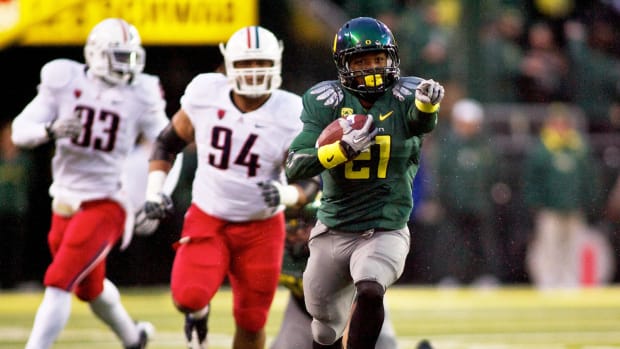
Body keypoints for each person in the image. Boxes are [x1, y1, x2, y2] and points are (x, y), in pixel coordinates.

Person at [140, 25, 318, 349]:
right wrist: (154, 190)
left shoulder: (291, 111)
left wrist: (287, 194)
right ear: (228, 64)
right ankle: (199, 315)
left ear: (276, 63)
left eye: (262, 63)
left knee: (252, 321)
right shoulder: (205, 93)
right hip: (210, 217)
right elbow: (167, 143)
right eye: (247, 63)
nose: (254, 71)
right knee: (188, 296)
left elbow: (312, 178)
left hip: (262, 227)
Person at [285, 16, 444, 349]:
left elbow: (420, 121)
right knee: (324, 329)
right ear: (344, 65)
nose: (372, 67)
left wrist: (428, 106)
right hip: (334, 228)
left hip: (384, 228)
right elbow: (295, 166)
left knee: (371, 287)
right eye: (361, 61)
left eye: (378, 59)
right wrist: (340, 150)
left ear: (392, 59)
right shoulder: (325, 101)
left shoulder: (407, 96)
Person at [10, 18, 169, 348]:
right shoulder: (63, 79)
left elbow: (169, 145)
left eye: (131, 56)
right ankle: (132, 336)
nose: (129, 65)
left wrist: (156, 193)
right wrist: (49, 130)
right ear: (96, 55)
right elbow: (20, 130)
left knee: (58, 281)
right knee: (89, 288)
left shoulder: (141, 92)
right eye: (120, 56)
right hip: (65, 199)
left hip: (107, 201)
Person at [272, 196, 399, 349]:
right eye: (293, 225)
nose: (298, 232)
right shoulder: (277, 251)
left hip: (355, 305)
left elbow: (360, 297)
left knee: (382, 344)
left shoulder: (341, 245)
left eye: (305, 225)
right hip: (302, 308)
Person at [523, 103, 603, 289]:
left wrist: (588, 202)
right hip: (550, 208)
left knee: (573, 247)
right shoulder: (542, 151)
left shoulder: (578, 149)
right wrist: (536, 204)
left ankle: (570, 281)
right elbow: (532, 181)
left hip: (574, 207)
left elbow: (589, 179)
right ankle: (548, 282)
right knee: (549, 246)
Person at [435, 98, 500, 286]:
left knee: (482, 244)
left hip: (480, 205)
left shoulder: (486, 145)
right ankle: (451, 278)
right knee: (453, 245)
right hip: (453, 205)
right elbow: (442, 175)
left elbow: (495, 174)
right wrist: (442, 199)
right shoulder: (448, 145)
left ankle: (484, 277)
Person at [0, 121, 32, 289]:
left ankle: (12, 282)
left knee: (14, 248)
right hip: (1, 209)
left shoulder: (24, 160)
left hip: (17, 210)